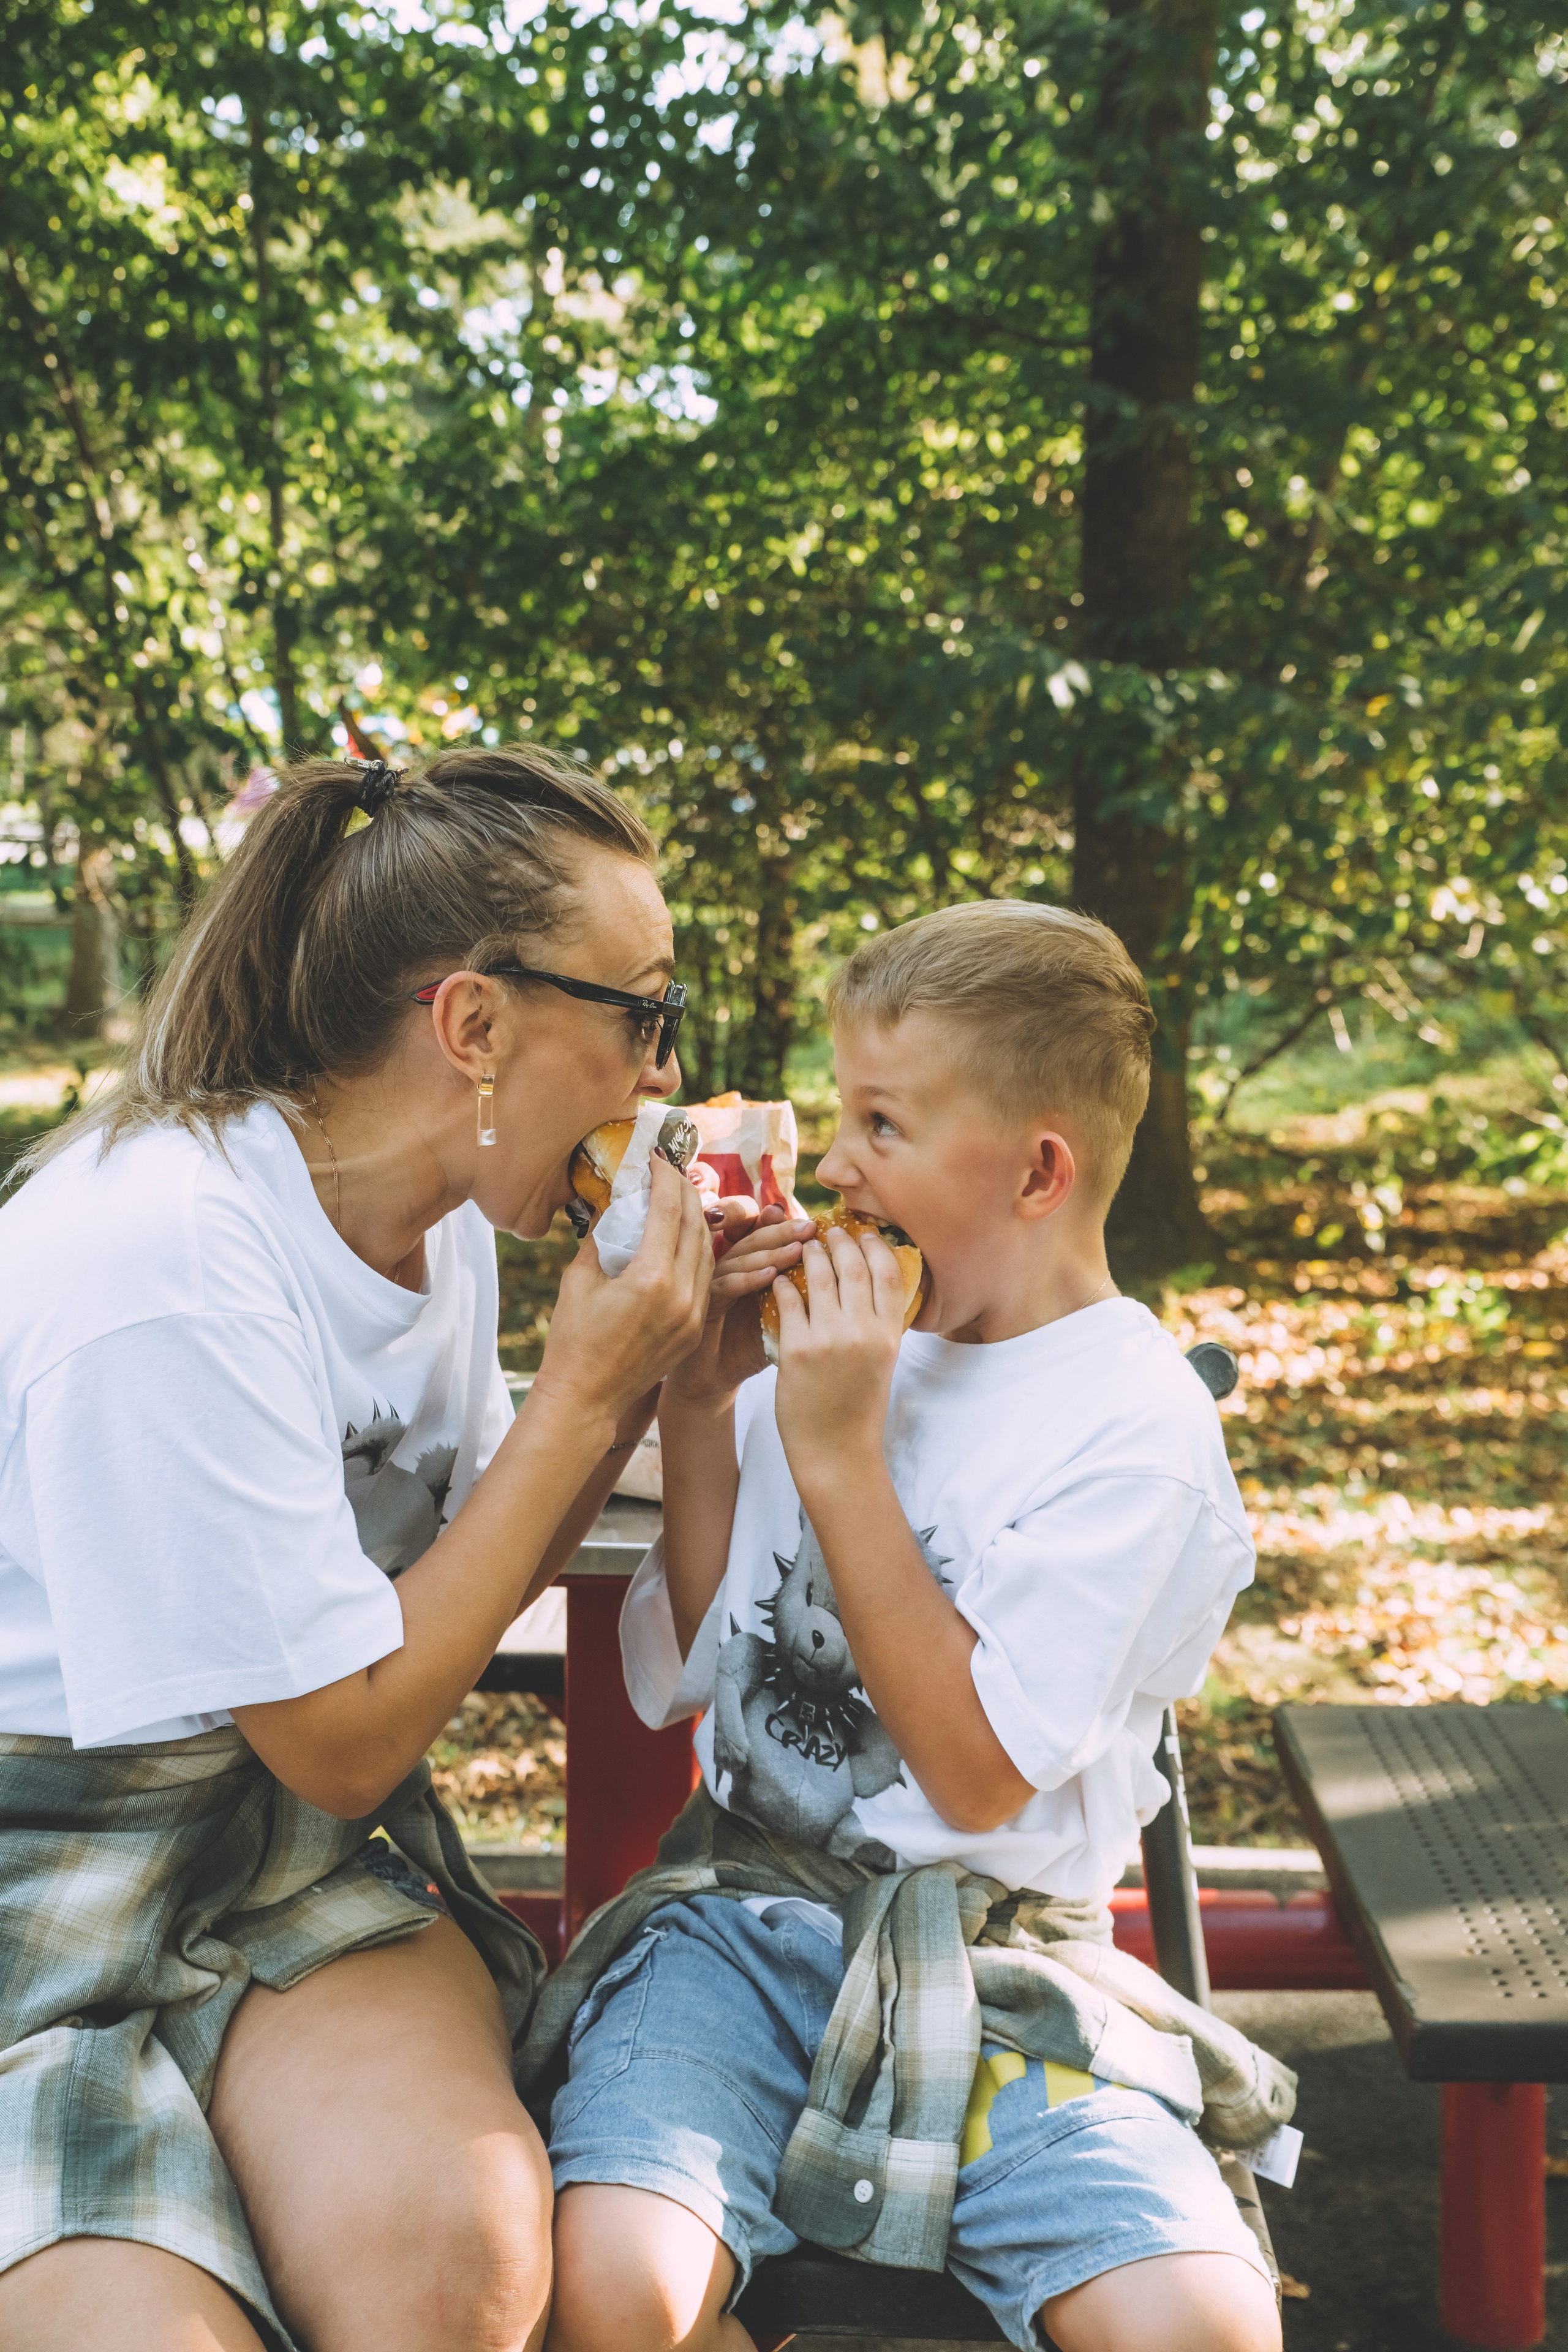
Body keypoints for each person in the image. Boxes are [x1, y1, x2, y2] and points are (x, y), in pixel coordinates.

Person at [0, 747, 726, 2352]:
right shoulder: (166, 1259)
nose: (663, 1077)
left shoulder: (441, 1224)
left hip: (274, 1853)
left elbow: (470, 1564)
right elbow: (340, 1736)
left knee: (455, 2266)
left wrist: (666, 1375)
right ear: (473, 1026)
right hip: (37, 1867)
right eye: (644, 1013)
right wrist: (592, 1381)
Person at [529, 900, 1294, 2352]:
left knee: (1201, 2324)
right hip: (737, 1936)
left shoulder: (1130, 1427)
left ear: (1036, 1170)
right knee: (616, 2285)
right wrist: (702, 1395)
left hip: (1009, 1975)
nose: (830, 1166)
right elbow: (704, 1651)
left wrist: (837, 1454)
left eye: (880, 1124)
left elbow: (979, 1775)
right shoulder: (837, 1354)